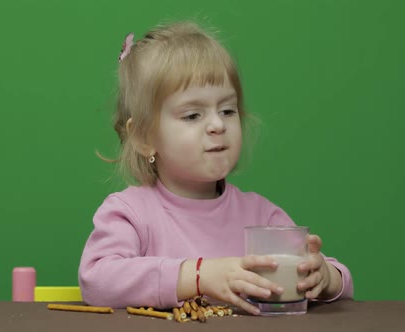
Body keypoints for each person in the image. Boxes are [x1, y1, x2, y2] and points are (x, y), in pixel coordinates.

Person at [78, 21, 354, 315]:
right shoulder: (131, 213)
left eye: (227, 110)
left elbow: (340, 281)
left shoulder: (261, 216)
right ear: (144, 138)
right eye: (193, 115)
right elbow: (97, 280)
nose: (217, 125)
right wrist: (198, 276)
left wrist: (324, 278)